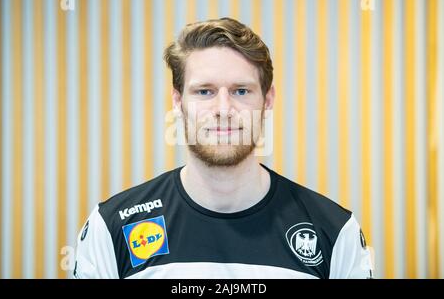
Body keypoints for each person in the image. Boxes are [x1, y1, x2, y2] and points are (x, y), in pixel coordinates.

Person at [73, 17, 374, 279]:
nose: (223, 109)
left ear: (268, 99)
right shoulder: (112, 227)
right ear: (178, 101)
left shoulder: (334, 232)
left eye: (241, 91)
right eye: (204, 91)